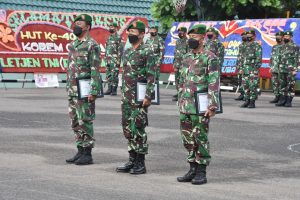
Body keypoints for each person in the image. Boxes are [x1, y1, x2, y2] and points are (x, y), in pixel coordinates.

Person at [177, 24, 220, 185]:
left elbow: (214, 81)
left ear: (202, 38)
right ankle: (192, 168)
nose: (191, 40)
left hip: (200, 105)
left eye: (194, 37)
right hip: (185, 104)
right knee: (187, 138)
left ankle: (201, 170)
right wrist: (180, 98)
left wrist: (212, 105)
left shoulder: (210, 57)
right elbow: (182, 80)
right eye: (190, 37)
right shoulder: (187, 57)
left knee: (200, 136)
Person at [116, 21, 155, 175]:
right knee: (127, 127)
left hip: (139, 97)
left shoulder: (147, 51)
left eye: (134, 32)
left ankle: (140, 162)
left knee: (138, 127)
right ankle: (132, 159)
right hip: (126, 96)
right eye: (129, 32)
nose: (130, 34)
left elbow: (152, 76)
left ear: (141, 34)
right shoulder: (128, 51)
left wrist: (148, 96)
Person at [66, 14, 101, 165]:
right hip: (72, 89)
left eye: (80, 23)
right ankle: (80, 150)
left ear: (87, 26)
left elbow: (95, 69)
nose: (76, 25)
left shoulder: (92, 45)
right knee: (75, 121)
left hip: (85, 89)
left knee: (85, 120)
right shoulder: (73, 45)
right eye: (76, 23)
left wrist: (93, 91)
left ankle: (88, 153)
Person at [275, 31, 299, 107]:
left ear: (291, 37)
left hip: (291, 69)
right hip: (282, 69)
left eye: (287, 36)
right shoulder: (281, 47)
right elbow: (278, 58)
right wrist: (277, 67)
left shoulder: (295, 46)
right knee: (282, 85)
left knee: (290, 86)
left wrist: (296, 69)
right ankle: (282, 99)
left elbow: (298, 59)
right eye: (284, 36)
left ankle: (289, 100)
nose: (285, 38)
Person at [240, 30, 262, 108]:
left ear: (254, 36)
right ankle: (247, 100)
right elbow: (241, 58)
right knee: (245, 86)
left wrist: (255, 69)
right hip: (245, 69)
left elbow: (258, 59)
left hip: (253, 69)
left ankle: (252, 102)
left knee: (253, 86)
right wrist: (241, 68)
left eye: (250, 35)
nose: (248, 37)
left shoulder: (257, 46)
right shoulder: (244, 46)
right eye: (248, 35)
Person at [104, 22, 123, 96]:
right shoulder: (109, 37)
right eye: (110, 27)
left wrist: (118, 60)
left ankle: (114, 90)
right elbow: (107, 48)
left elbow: (120, 49)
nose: (110, 28)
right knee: (108, 74)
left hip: (115, 59)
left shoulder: (118, 37)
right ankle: (109, 89)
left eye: (112, 27)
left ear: (116, 28)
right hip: (108, 59)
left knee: (114, 75)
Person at [172, 27, 189, 101]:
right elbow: (176, 53)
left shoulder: (188, 42)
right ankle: (178, 93)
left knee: (184, 80)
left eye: (182, 32)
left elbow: (189, 54)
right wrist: (174, 64)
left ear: (185, 33)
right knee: (177, 80)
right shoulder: (178, 41)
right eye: (179, 32)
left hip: (184, 65)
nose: (180, 33)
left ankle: (183, 94)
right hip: (177, 64)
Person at [269, 31, 284, 103]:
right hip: (274, 68)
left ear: (282, 37)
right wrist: (271, 67)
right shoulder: (274, 47)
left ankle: (282, 97)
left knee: (282, 83)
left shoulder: (285, 47)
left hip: (282, 68)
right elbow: (272, 57)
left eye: (279, 37)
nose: (277, 38)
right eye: (276, 37)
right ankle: (277, 96)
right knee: (275, 83)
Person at [235, 31, 248, 101]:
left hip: (245, 66)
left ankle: (246, 95)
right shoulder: (241, 45)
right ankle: (242, 93)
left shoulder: (248, 45)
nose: (243, 37)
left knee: (245, 81)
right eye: (242, 36)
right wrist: (237, 64)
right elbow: (239, 56)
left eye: (245, 36)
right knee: (240, 80)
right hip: (240, 65)